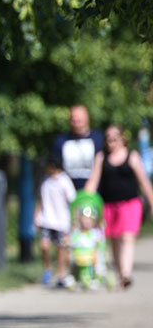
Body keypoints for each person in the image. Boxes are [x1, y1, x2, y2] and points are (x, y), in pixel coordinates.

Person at [83, 124, 153, 288]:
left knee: (127, 237)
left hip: (131, 204)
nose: (110, 139)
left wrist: (151, 201)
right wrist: (84, 198)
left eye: (114, 136)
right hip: (108, 206)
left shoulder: (132, 156)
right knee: (114, 239)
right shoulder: (101, 158)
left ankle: (126, 273)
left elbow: (144, 183)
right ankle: (121, 274)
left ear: (122, 138)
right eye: (108, 136)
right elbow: (93, 181)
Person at [34, 154, 76, 287]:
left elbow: (72, 201)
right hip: (46, 219)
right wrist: (36, 216)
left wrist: (73, 222)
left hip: (61, 221)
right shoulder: (46, 181)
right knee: (44, 245)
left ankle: (61, 274)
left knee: (60, 248)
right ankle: (47, 269)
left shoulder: (65, 181)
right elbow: (41, 199)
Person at [52, 105, 104, 190]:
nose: (76, 120)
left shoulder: (100, 139)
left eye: (79, 118)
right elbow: (54, 166)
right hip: (67, 192)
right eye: (73, 118)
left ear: (87, 118)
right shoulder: (60, 140)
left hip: (94, 194)